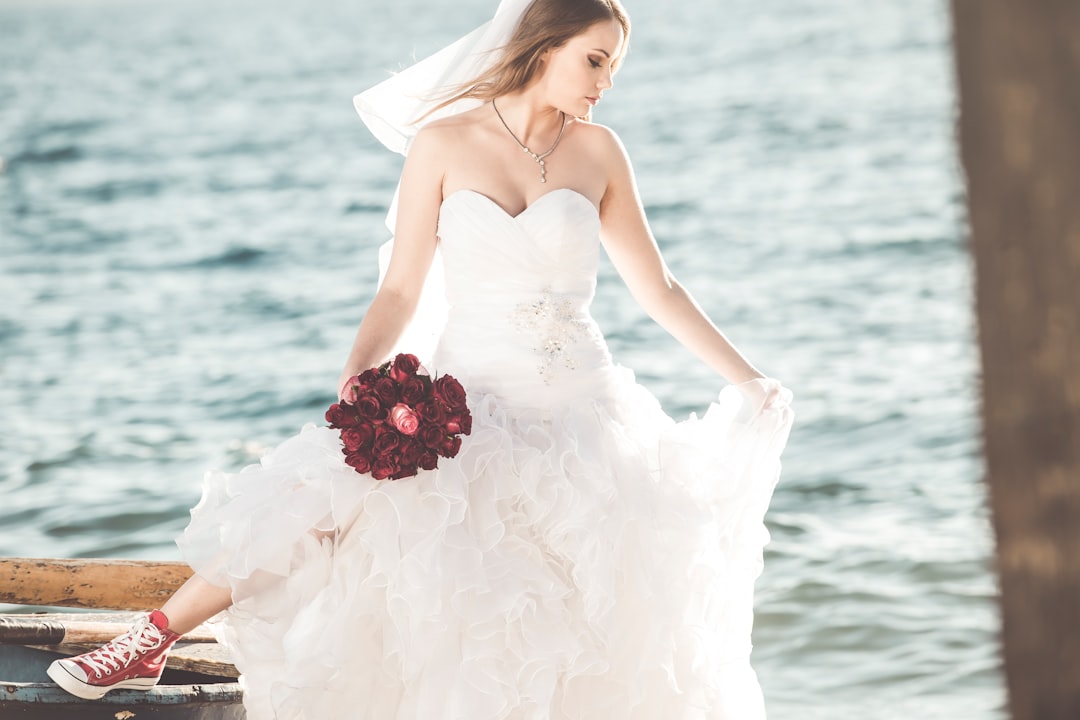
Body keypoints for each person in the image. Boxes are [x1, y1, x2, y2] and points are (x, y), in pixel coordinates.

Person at [46, 0, 794, 717]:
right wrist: (360, 370)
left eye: (614, 68)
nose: (605, 83)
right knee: (316, 494)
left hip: (583, 411)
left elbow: (658, 288)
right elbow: (402, 286)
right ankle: (148, 640)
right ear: (544, 46)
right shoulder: (445, 142)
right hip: (468, 402)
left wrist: (749, 379)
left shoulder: (599, 152)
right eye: (595, 60)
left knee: (581, 615)